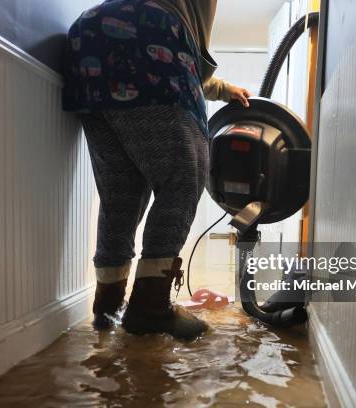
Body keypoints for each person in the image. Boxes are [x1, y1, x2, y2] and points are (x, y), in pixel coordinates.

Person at [63, 0, 251, 340]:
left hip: (88, 40)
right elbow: (183, 55)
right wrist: (219, 87)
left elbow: (180, 58)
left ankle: (108, 307)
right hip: (152, 33)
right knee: (184, 177)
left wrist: (223, 89)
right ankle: (150, 308)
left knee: (122, 195)